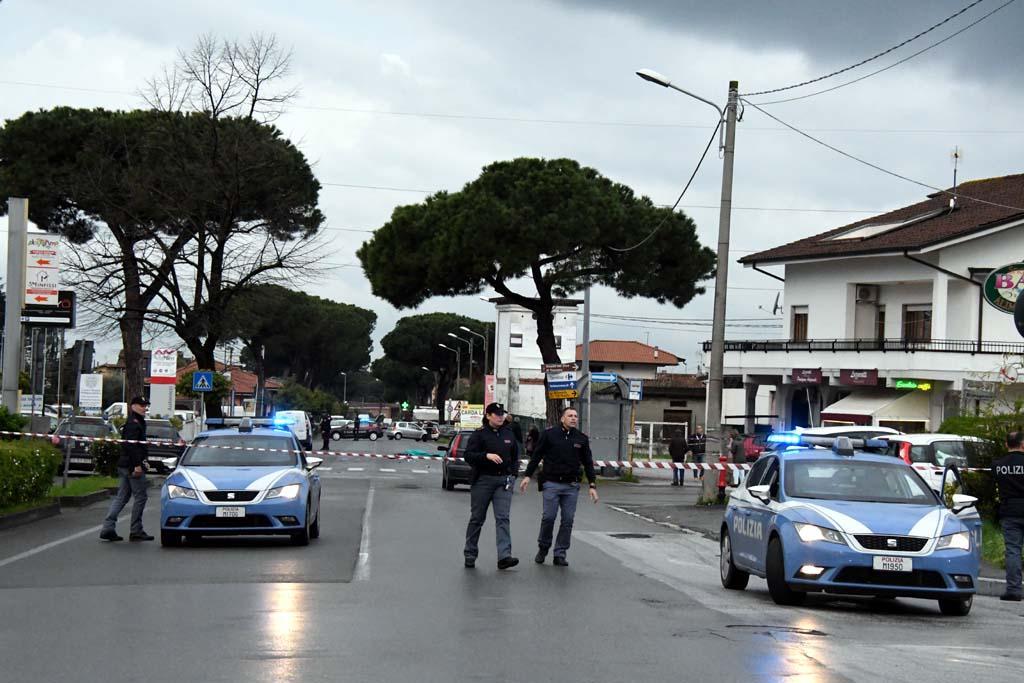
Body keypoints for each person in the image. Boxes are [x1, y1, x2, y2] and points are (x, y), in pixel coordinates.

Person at [519, 407, 599, 566]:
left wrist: (592, 485)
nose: (574, 418)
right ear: (562, 418)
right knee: (549, 517)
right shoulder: (549, 435)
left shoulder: (581, 438)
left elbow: (588, 463)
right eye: (570, 415)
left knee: (568, 520)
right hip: (551, 483)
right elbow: (537, 455)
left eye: (576, 416)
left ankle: (560, 553)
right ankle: (543, 547)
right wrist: (528, 475)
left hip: (571, 485)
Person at [462, 402, 520, 570]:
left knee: (503, 518)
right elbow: (468, 456)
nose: (500, 416)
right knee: (477, 518)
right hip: (483, 480)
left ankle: (504, 556)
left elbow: (515, 456)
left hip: (503, 481)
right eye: (496, 414)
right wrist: (486, 456)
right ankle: (470, 553)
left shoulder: (508, 434)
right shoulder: (479, 435)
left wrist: (513, 475)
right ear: (488, 416)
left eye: (502, 413)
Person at [100, 396, 153, 542]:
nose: (144, 408)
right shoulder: (133, 423)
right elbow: (130, 446)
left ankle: (108, 528)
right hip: (131, 465)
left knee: (122, 496)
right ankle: (136, 530)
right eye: (141, 405)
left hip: (125, 464)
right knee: (141, 497)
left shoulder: (136, 422)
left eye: (145, 405)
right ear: (133, 406)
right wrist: (137, 465)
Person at [993, 430, 1024, 601]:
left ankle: (1014, 590)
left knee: (1013, 551)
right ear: (1022, 444)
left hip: (1009, 511)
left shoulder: (998, 465)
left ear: (1006, 445)